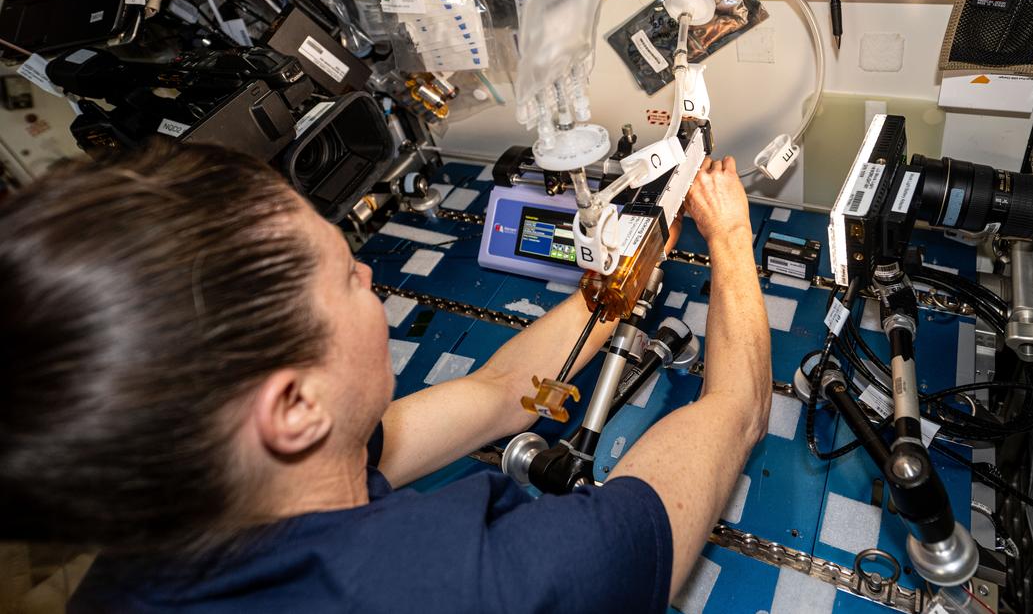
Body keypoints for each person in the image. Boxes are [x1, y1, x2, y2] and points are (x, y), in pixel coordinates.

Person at [0, 142, 772, 613]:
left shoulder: (155, 538)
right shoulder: (477, 588)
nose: (370, 274)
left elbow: (502, 392)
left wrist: (614, 284)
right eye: (346, 279)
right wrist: (731, 239)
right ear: (294, 404)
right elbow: (736, 410)